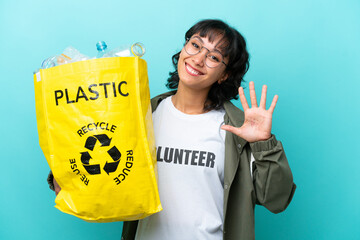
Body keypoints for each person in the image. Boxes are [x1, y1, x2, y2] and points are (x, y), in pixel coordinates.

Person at [48, 19, 296, 240]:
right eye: (196, 45)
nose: (198, 59)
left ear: (224, 74)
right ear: (183, 49)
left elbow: (277, 199)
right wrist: (65, 178)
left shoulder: (236, 129)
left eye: (214, 57)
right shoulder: (141, 113)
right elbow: (107, 169)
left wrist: (264, 143)